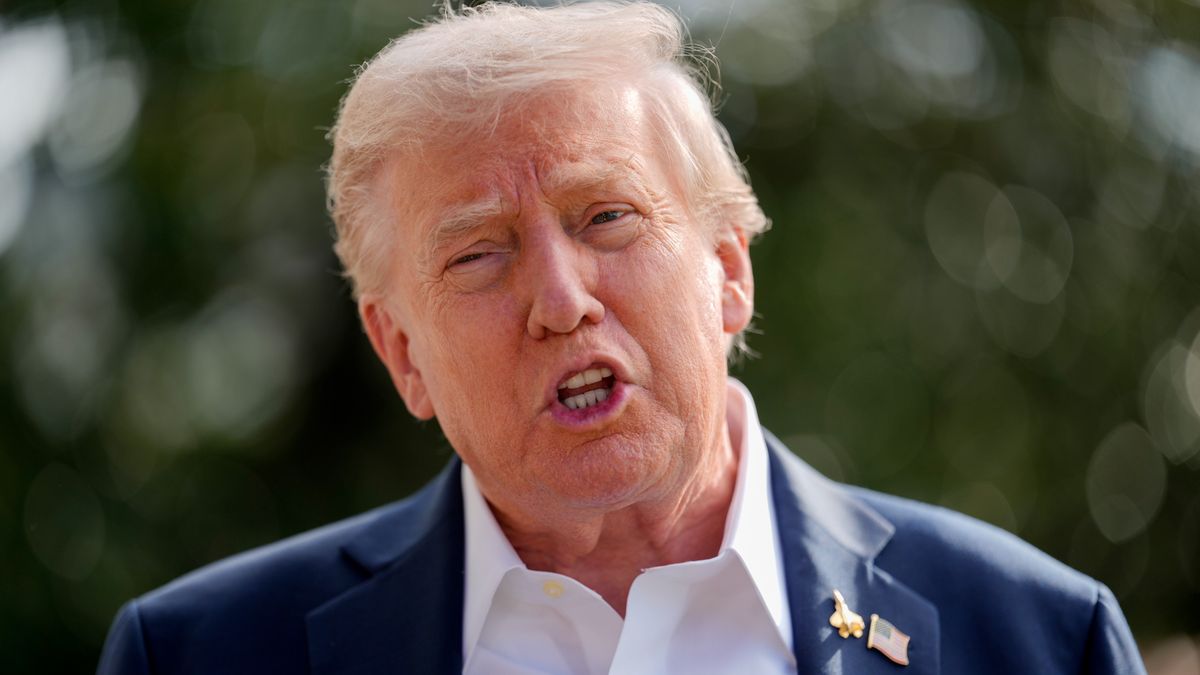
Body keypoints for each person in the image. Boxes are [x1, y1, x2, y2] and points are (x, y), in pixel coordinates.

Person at [98, 2, 1146, 673]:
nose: (561, 298)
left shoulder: (1038, 641)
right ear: (401, 352)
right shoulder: (201, 655)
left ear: (728, 269)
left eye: (608, 218)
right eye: (477, 255)